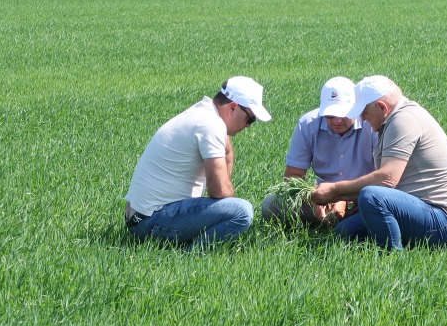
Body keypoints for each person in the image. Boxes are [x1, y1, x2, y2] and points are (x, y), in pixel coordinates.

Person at [309, 76, 447, 250]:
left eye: (364, 112)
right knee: (345, 231)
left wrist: (334, 190)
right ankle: (402, 244)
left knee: (372, 196)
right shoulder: (390, 122)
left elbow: (387, 179)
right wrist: (336, 196)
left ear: (381, 107)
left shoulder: (405, 120)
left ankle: (392, 257)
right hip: (417, 211)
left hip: (443, 220)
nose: (362, 118)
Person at [124, 76, 271, 250]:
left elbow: (227, 152)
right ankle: (191, 256)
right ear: (232, 108)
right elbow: (219, 191)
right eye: (250, 119)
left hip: (140, 217)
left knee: (233, 208)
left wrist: (229, 153)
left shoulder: (204, 113)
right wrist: (229, 204)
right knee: (242, 212)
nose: (249, 126)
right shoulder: (210, 124)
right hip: (151, 221)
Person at [261, 76, 377, 225]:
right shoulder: (307, 124)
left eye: (343, 114)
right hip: (323, 197)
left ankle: (348, 225)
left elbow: (384, 180)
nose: (337, 121)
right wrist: (314, 198)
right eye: (330, 115)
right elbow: (292, 177)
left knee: (377, 203)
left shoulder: (372, 124)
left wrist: (345, 197)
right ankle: (330, 221)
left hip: (363, 196)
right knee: (271, 205)